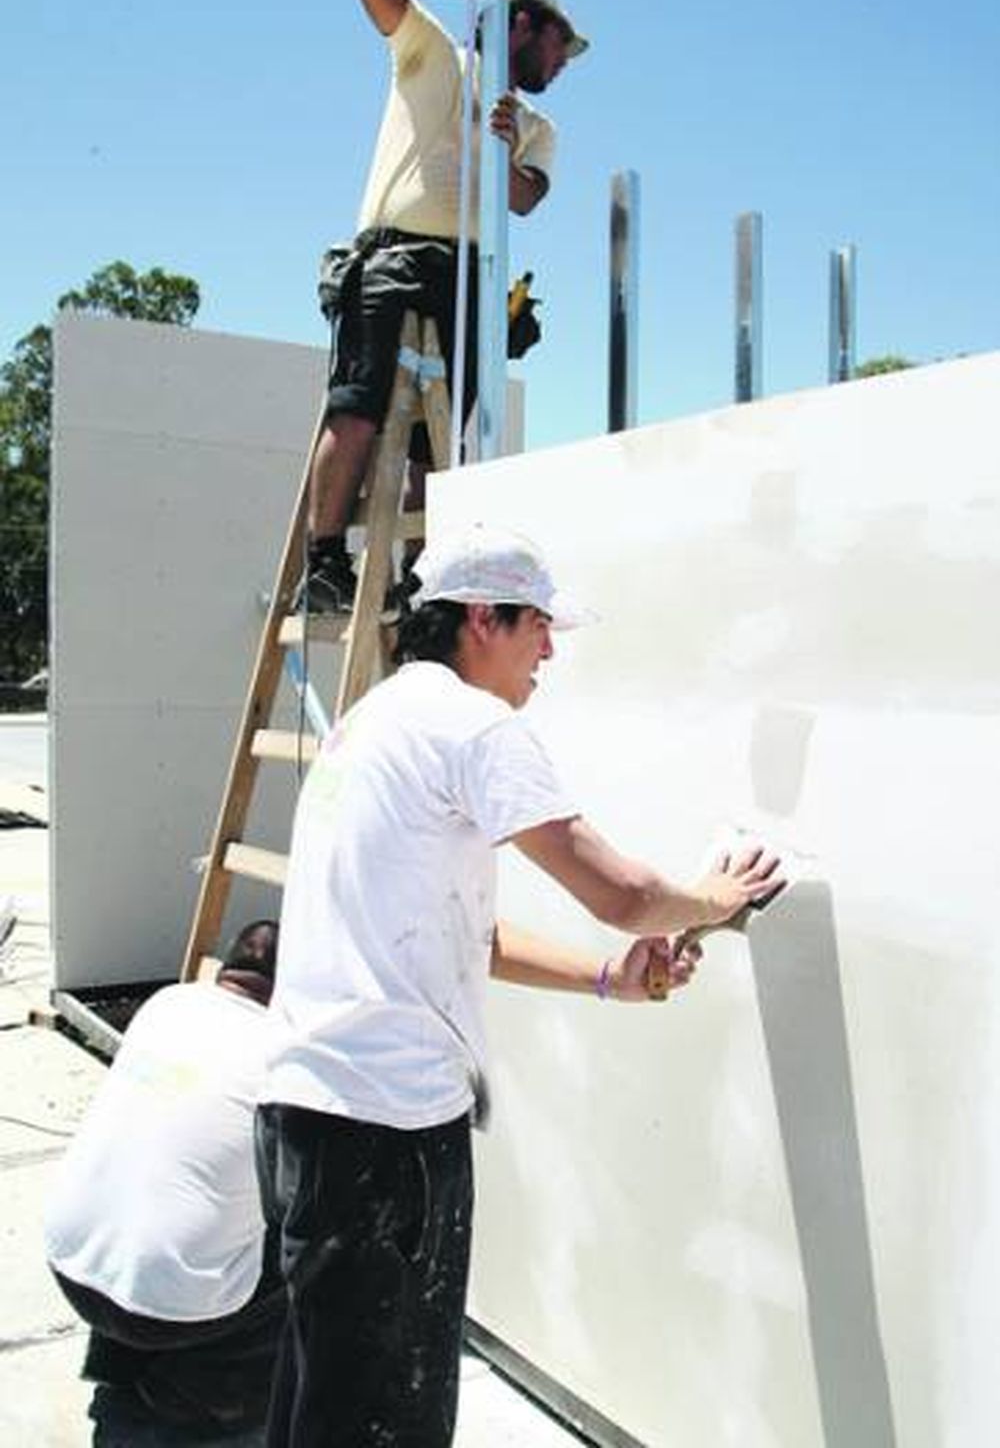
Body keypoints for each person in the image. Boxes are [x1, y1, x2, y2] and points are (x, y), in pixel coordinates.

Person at [257, 525, 782, 1447]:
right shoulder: (474, 726)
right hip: (384, 1138)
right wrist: (715, 897)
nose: (550, 650)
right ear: (481, 618)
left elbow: (470, 937)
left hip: (307, 1121)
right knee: (382, 1422)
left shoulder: (374, 722)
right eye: (538, 624)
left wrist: (611, 978)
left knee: (323, 1405)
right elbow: (624, 894)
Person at [298, 0, 588, 614]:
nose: (563, 62)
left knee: (439, 441)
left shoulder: (537, 128)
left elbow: (524, 199)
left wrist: (502, 149)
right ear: (523, 25)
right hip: (392, 256)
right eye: (560, 45)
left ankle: (420, 575)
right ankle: (325, 563)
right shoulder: (433, 52)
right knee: (358, 406)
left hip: (468, 274)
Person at [45, 921, 284, 1446]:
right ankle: (219, 1418)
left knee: (168, 1205)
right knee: (312, 1251)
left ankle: (125, 1390)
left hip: (72, 1264)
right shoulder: (285, 1057)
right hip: (172, 1309)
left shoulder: (169, 1004)